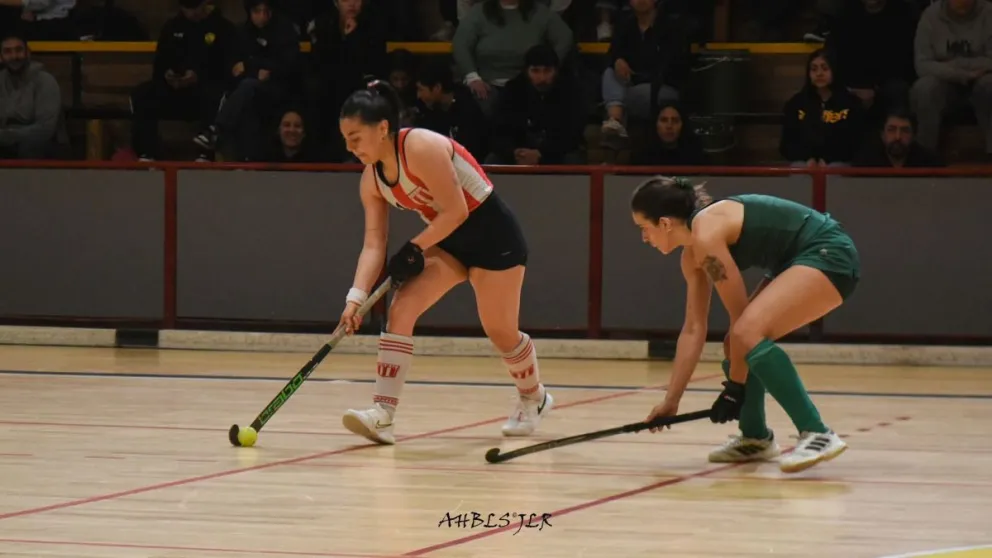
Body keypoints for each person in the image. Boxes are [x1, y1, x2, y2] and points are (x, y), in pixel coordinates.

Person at [335, 80, 553, 445]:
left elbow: (457, 210)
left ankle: (535, 397)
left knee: (500, 331)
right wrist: (355, 299)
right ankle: (383, 415)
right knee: (401, 308)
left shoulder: (419, 145)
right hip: (447, 240)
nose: (349, 147)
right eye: (345, 138)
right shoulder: (371, 180)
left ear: (383, 128)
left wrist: (414, 247)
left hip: (492, 236)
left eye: (355, 137)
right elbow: (373, 245)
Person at [630, 176, 859, 474]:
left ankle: (817, 433)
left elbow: (742, 322)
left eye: (643, 228)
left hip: (828, 253)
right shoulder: (693, 256)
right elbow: (693, 329)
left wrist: (734, 389)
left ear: (664, 223)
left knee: (745, 333)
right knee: (735, 341)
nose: (644, 238)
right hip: (797, 261)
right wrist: (671, 402)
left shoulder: (706, 236)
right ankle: (755, 437)